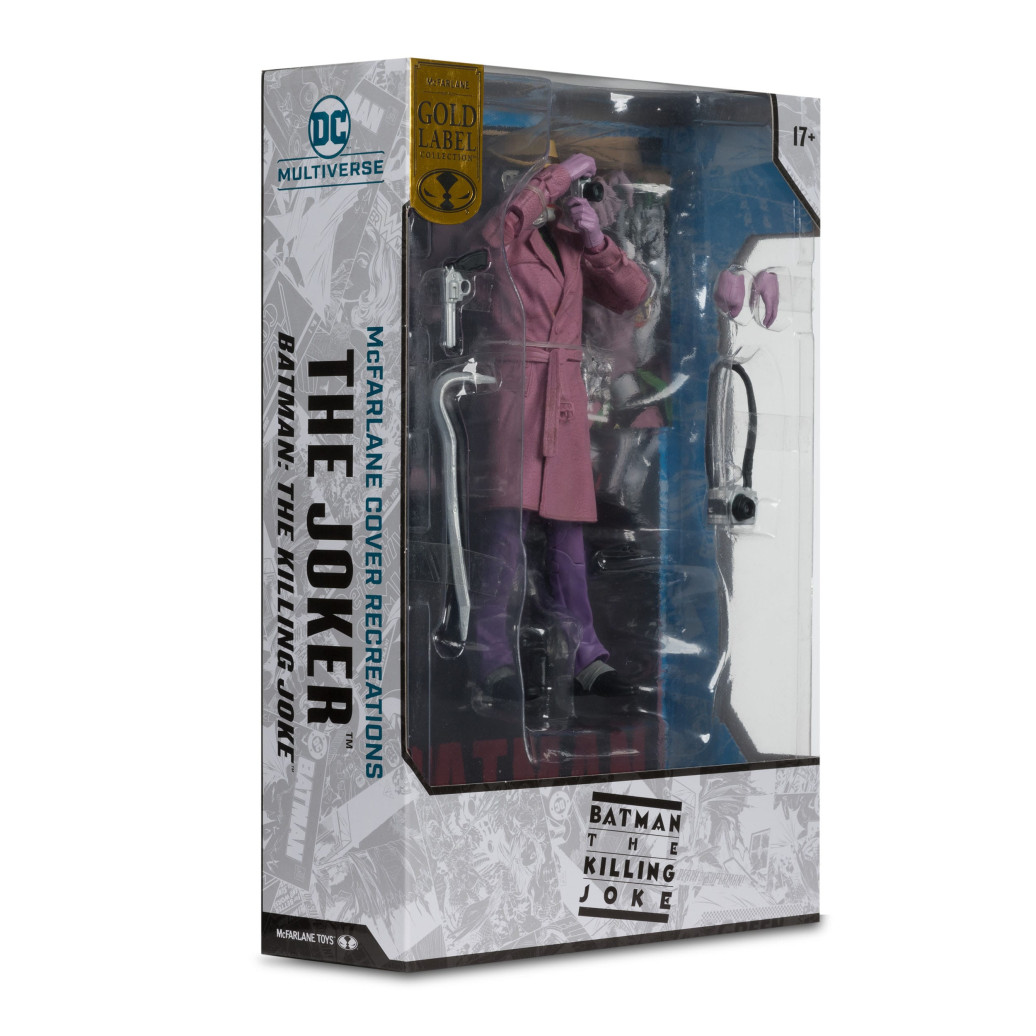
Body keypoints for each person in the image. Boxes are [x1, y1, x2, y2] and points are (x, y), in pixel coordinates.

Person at [471, 152, 651, 713]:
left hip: (567, 400)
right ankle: (490, 655)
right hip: (517, 394)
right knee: (507, 531)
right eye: (564, 185)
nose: (574, 192)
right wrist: (560, 172)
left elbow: (633, 295)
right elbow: (498, 229)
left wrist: (596, 240)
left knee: (569, 537)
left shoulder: (570, 244)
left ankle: (585, 656)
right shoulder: (509, 238)